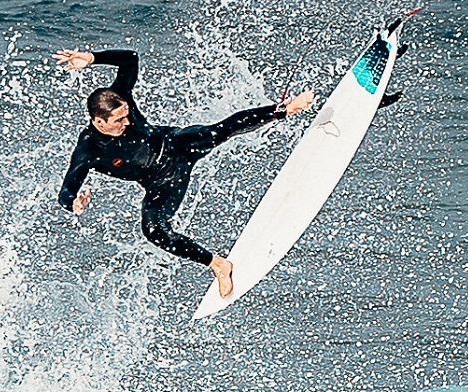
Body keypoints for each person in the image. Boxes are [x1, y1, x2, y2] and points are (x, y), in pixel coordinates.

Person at [54, 47, 316, 300]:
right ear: (99, 122)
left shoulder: (119, 94)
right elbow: (66, 191)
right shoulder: (88, 150)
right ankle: (218, 265)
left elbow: (130, 59)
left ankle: (285, 109)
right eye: (119, 121)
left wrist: (92, 58)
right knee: (153, 230)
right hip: (162, 183)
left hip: (176, 145)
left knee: (220, 130)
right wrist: (74, 203)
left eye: (126, 116)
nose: (128, 122)